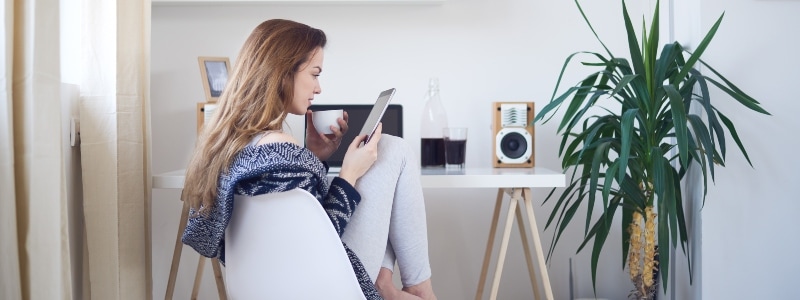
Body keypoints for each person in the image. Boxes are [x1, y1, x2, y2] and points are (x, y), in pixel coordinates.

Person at [180, 19, 437, 300]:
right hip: (323, 282)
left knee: (386, 184)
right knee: (392, 149)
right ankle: (419, 290)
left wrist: (314, 157)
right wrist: (349, 174)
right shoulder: (282, 150)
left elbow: (292, 223)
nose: (318, 88)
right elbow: (320, 245)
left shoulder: (232, 145)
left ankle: (386, 287)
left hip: (268, 281)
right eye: (314, 74)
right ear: (282, 73)